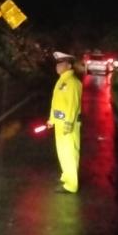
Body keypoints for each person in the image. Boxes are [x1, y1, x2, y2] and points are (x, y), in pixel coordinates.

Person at [47, 51, 83, 193]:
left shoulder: (73, 82)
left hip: (69, 125)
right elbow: (56, 103)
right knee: (62, 153)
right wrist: (52, 120)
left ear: (68, 65)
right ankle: (66, 176)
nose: (57, 67)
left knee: (69, 153)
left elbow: (72, 105)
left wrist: (68, 123)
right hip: (60, 124)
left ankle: (71, 185)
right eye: (57, 64)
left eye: (61, 64)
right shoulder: (62, 80)